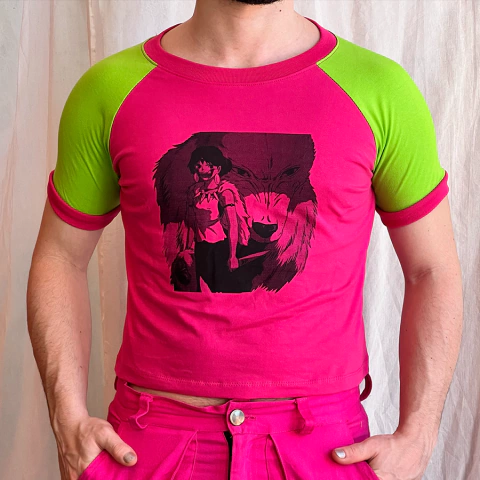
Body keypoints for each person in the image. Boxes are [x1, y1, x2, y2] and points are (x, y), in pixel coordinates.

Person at [26, 0, 463, 479]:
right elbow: (61, 257)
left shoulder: (380, 90)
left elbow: (432, 268)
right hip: (151, 440)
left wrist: (419, 433)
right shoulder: (110, 90)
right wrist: (66, 417)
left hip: (323, 444)